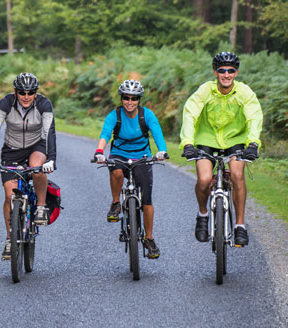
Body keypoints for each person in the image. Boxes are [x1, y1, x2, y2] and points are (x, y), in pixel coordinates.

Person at [180, 52, 263, 246]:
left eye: (231, 71)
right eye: (222, 70)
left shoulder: (244, 92)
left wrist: (253, 143)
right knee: (204, 179)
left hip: (236, 139)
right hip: (206, 139)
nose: (226, 74)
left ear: (236, 72)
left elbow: (254, 117)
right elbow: (190, 114)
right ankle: (202, 215)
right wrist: (188, 143)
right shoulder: (205, 91)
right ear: (215, 72)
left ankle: (240, 226)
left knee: (237, 174)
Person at [0, 73, 56, 260]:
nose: (26, 96)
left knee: (37, 167)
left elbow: (49, 132)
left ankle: (40, 206)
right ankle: (9, 238)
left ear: (35, 93)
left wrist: (52, 159)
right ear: (15, 92)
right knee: (9, 195)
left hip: (36, 146)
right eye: (22, 92)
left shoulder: (44, 104)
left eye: (30, 92)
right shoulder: (5, 103)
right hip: (11, 151)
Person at [93, 79, 168, 259]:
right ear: (121, 98)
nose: (129, 102)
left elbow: (157, 133)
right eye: (126, 98)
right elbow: (105, 134)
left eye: (134, 98)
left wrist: (162, 151)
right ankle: (115, 203)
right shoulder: (115, 115)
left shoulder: (146, 115)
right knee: (116, 171)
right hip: (119, 153)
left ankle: (149, 238)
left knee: (147, 199)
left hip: (142, 156)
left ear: (139, 100)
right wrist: (99, 152)